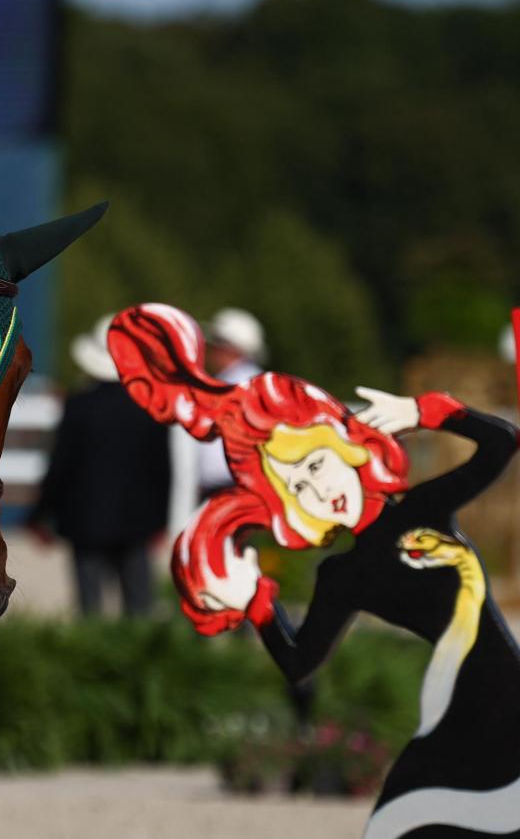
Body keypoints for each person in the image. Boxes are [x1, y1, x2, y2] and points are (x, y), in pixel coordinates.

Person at [112, 303, 520, 835]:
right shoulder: (342, 576)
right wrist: (256, 602)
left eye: (314, 465)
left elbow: (503, 443)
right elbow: (300, 663)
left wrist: (424, 411)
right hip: (450, 715)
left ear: (345, 447)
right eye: (296, 487)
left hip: (503, 696)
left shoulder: (424, 508)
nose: (317, 489)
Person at [31, 315, 171, 617]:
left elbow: (60, 466)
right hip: (137, 522)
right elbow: (162, 471)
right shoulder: (149, 407)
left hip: (85, 522)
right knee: (139, 608)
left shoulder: (79, 405)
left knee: (90, 609)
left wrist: (40, 514)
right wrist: (160, 520)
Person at [170, 306, 267, 513]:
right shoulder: (250, 382)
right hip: (236, 484)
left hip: (230, 486)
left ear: (228, 348)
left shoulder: (237, 385)